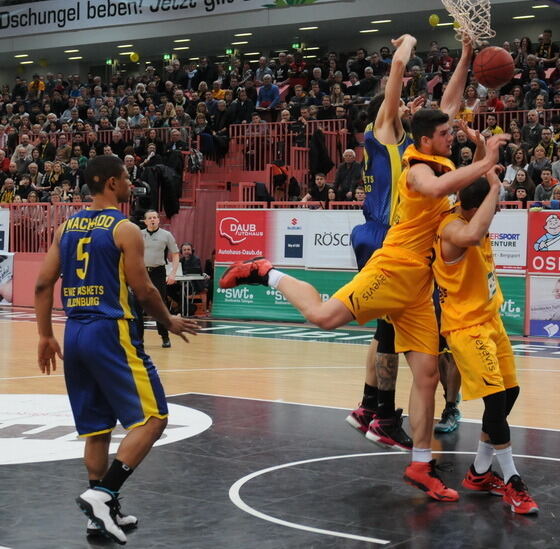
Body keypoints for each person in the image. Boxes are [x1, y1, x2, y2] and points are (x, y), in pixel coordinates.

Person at [219, 106, 508, 502]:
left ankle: (421, 465)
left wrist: (467, 61)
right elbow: (442, 189)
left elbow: (459, 151)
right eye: (445, 134)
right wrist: (488, 160)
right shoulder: (417, 170)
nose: (451, 138)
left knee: (427, 376)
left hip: (421, 288)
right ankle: (267, 271)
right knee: (322, 316)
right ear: (426, 139)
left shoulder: (441, 161)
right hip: (392, 270)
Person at [33, 155, 198, 544]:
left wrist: (44, 335)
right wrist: (168, 321)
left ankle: (100, 516)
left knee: (97, 427)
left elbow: (42, 285)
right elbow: (144, 289)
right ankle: (103, 495)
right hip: (113, 332)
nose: (129, 184)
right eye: (125, 178)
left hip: (74, 333)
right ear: (109, 183)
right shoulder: (124, 228)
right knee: (154, 419)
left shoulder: (66, 227)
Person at [344, 34, 475, 451]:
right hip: (386, 235)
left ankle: (370, 407)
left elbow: (448, 107)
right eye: (401, 104)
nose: (407, 104)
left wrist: (467, 56)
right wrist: (410, 43)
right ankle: (381, 414)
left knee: (385, 328)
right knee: (387, 330)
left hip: (397, 235)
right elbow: (396, 74)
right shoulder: (382, 130)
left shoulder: (415, 144)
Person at [432, 171, 537, 514]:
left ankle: (478, 472)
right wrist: (495, 186)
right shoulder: (453, 231)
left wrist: (484, 157)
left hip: (490, 320)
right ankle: (512, 481)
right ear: (476, 208)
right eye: (491, 207)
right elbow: (475, 232)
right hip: (467, 327)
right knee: (494, 405)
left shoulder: (469, 213)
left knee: (510, 394)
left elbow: (474, 195)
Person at [138, 210, 180, 348]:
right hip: (142, 272)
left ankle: (165, 337)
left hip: (158, 272)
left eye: (155, 217)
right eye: (150, 218)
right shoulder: (139, 234)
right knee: (137, 305)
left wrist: (173, 273)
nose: (153, 220)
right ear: (145, 221)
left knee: (159, 305)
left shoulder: (166, 235)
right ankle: (138, 339)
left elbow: (175, 254)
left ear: (158, 220)